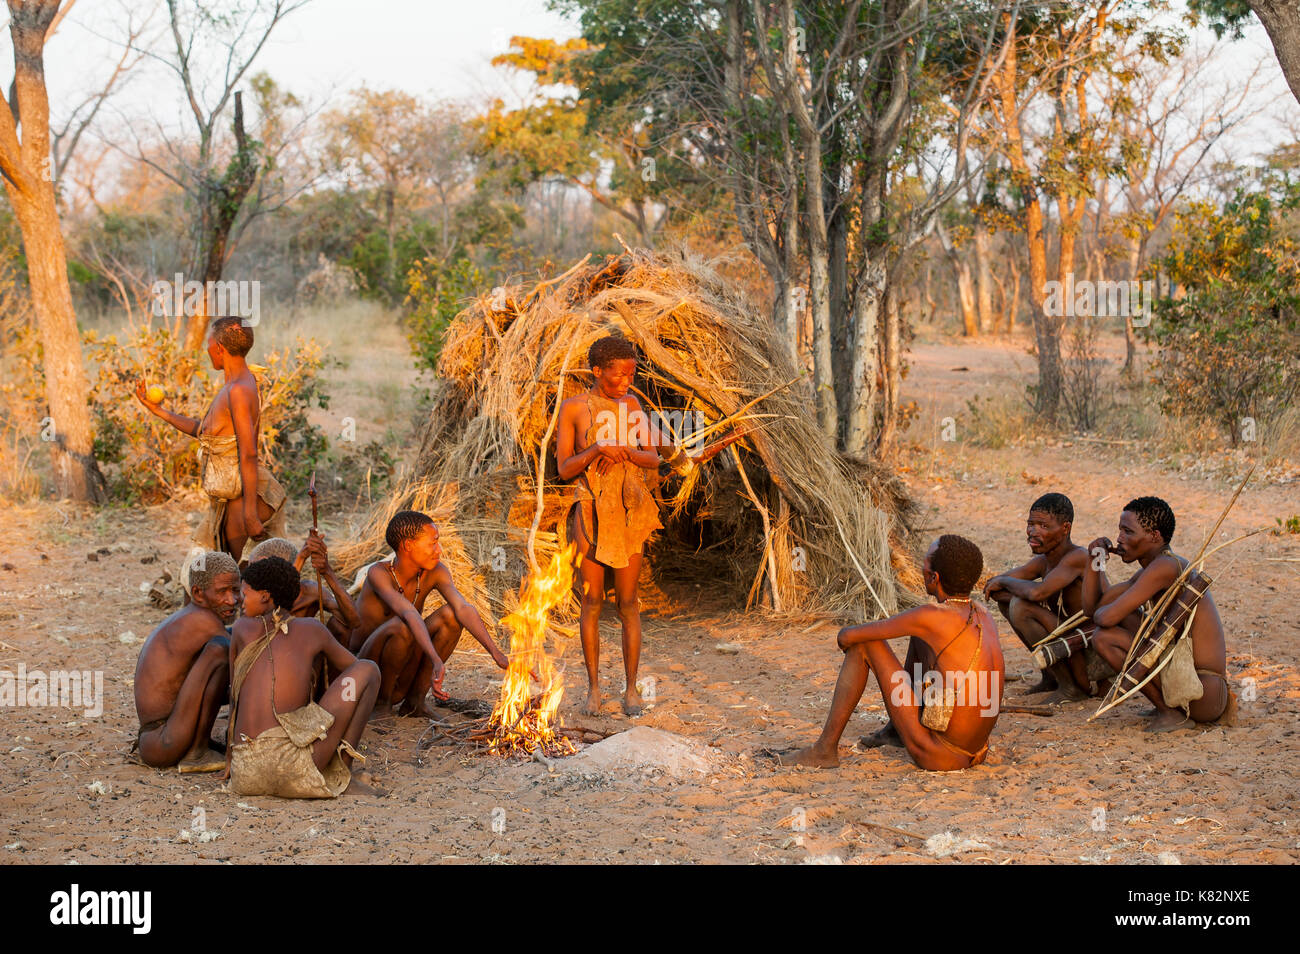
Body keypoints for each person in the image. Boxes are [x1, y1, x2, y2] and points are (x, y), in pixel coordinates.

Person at [556, 334, 743, 716]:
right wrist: (596, 449)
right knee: (591, 602)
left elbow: (657, 454)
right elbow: (563, 470)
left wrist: (675, 455)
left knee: (628, 604)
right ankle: (593, 690)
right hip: (591, 510)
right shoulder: (574, 408)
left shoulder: (632, 405)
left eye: (630, 375)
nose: (625, 384)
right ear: (596, 371)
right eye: (617, 376)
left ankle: (630, 690)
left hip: (631, 511)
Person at [778, 535, 1004, 771]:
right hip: (977, 751)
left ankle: (824, 750)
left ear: (934, 577)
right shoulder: (981, 612)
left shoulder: (932, 616)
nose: (920, 568)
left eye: (924, 564)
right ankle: (895, 731)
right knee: (919, 636)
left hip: (941, 756)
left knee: (865, 645)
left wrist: (850, 637)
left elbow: (846, 637)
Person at [135, 316, 286, 563]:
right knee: (211, 576)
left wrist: (249, 513)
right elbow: (205, 431)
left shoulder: (237, 390)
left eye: (208, 343)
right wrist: (159, 411)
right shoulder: (235, 383)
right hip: (231, 498)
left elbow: (248, 453)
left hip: (243, 500)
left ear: (219, 348)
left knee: (245, 581)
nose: (206, 349)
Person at [227, 556, 380, 798]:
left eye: (245, 594)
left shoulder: (240, 629)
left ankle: (338, 771)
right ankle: (343, 772)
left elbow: (235, 698)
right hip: (293, 770)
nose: (239, 601)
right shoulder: (312, 629)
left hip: (244, 773)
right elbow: (355, 668)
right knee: (369, 670)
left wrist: (230, 761)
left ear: (265, 596)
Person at [1084, 496, 1232, 732]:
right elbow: (1093, 610)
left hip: (1202, 693)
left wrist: (1110, 611)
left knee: (1104, 637)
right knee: (1121, 620)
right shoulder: (1151, 569)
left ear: (1154, 536)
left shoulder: (1166, 567)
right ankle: (1167, 709)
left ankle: (1170, 713)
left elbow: (1104, 618)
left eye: (1128, 532)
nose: (1120, 538)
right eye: (1120, 530)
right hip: (1189, 686)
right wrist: (1095, 560)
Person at [349, 510, 510, 717]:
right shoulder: (378, 574)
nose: (439, 550)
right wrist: (435, 659)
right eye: (432, 543)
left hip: (402, 667)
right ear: (408, 546)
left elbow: (463, 608)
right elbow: (408, 613)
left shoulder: (436, 571)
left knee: (451, 615)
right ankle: (382, 705)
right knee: (402, 626)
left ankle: (415, 702)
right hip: (365, 673)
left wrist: (496, 654)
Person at [133, 551, 240, 773]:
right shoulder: (204, 622)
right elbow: (242, 657)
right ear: (198, 593)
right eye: (222, 592)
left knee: (223, 650)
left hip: (163, 738)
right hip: (163, 741)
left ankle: (198, 746)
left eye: (236, 590)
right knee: (221, 651)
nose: (232, 600)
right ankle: (197, 752)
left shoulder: (191, 616)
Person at [983, 492, 1091, 699]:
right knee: (1011, 604)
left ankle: (1071, 687)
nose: (1033, 532)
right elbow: (994, 589)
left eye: (1043, 526)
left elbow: (1036, 592)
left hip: (1089, 645)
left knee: (1020, 608)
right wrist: (1005, 585)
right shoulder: (1044, 560)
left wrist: (1006, 582)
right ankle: (1051, 676)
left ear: (1065, 528)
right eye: (1030, 524)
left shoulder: (1078, 557)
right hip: (1069, 639)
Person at [247, 532, 360, 643]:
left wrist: (327, 571)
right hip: (272, 656)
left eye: (256, 571)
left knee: (340, 625)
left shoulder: (309, 591)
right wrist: (301, 558)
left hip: (306, 655)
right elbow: (275, 612)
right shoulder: (256, 598)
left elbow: (354, 621)